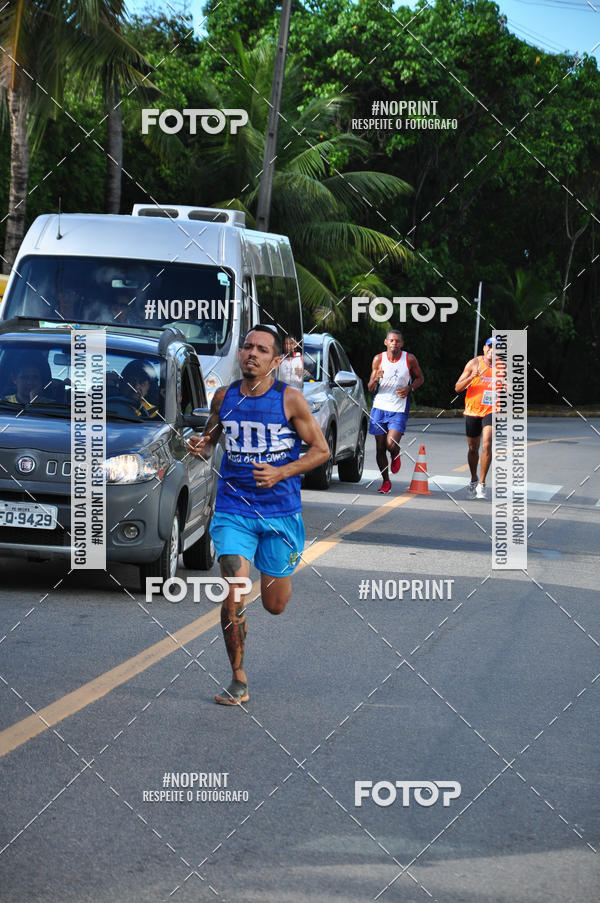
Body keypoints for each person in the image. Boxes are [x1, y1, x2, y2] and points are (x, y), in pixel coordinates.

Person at [187, 324, 329, 706]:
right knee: (234, 592)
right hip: (234, 510)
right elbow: (212, 438)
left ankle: (278, 577)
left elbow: (321, 451)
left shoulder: (291, 400)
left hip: (281, 514)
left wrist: (281, 472)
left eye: (261, 349)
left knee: (274, 604)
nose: (251, 353)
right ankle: (238, 679)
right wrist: (201, 444)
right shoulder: (224, 397)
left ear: (276, 360)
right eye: (247, 346)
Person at [367, 329, 424, 493]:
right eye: (391, 340)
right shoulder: (379, 359)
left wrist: (410, 387)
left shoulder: (409, 359)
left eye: (397, 341)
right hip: (380, 406)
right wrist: (375, 378)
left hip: (399, 407)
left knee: (390, 444)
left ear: (402, 344)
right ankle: (386, 481)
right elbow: (370, 388)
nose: (394, 343)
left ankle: (395, 453)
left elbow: (421, 378)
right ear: (386, 342)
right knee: (379, 447)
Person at [454, 337, 504, 499]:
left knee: (487, 443)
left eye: (496, 348)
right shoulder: (473, 364)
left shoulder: (502, 367)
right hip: (473, 411)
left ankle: (482, 483)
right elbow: (457, 388)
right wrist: (471, 377)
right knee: (473, 449)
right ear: (484, 348)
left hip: (491, 410)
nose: (492, 350)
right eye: (490, 347)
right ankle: (474, 478)